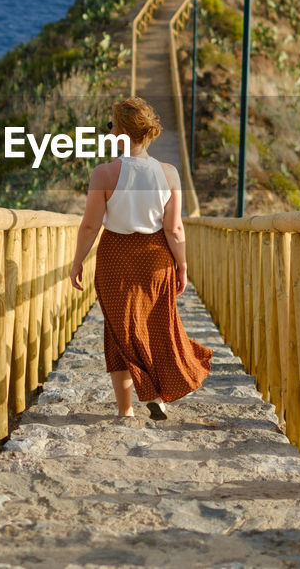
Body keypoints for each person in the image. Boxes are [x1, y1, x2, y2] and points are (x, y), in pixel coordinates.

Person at [68, 96, 212, 420]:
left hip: (114, 257)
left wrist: (78, 260)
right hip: (155, 258)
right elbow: (175, 229)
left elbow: (91, 225)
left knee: (119, 332)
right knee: (157, 326)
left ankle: (126, 411)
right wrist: (182, 266)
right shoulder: (170, 174)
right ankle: (158, 395)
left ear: (119, 132)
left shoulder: (104, 174)